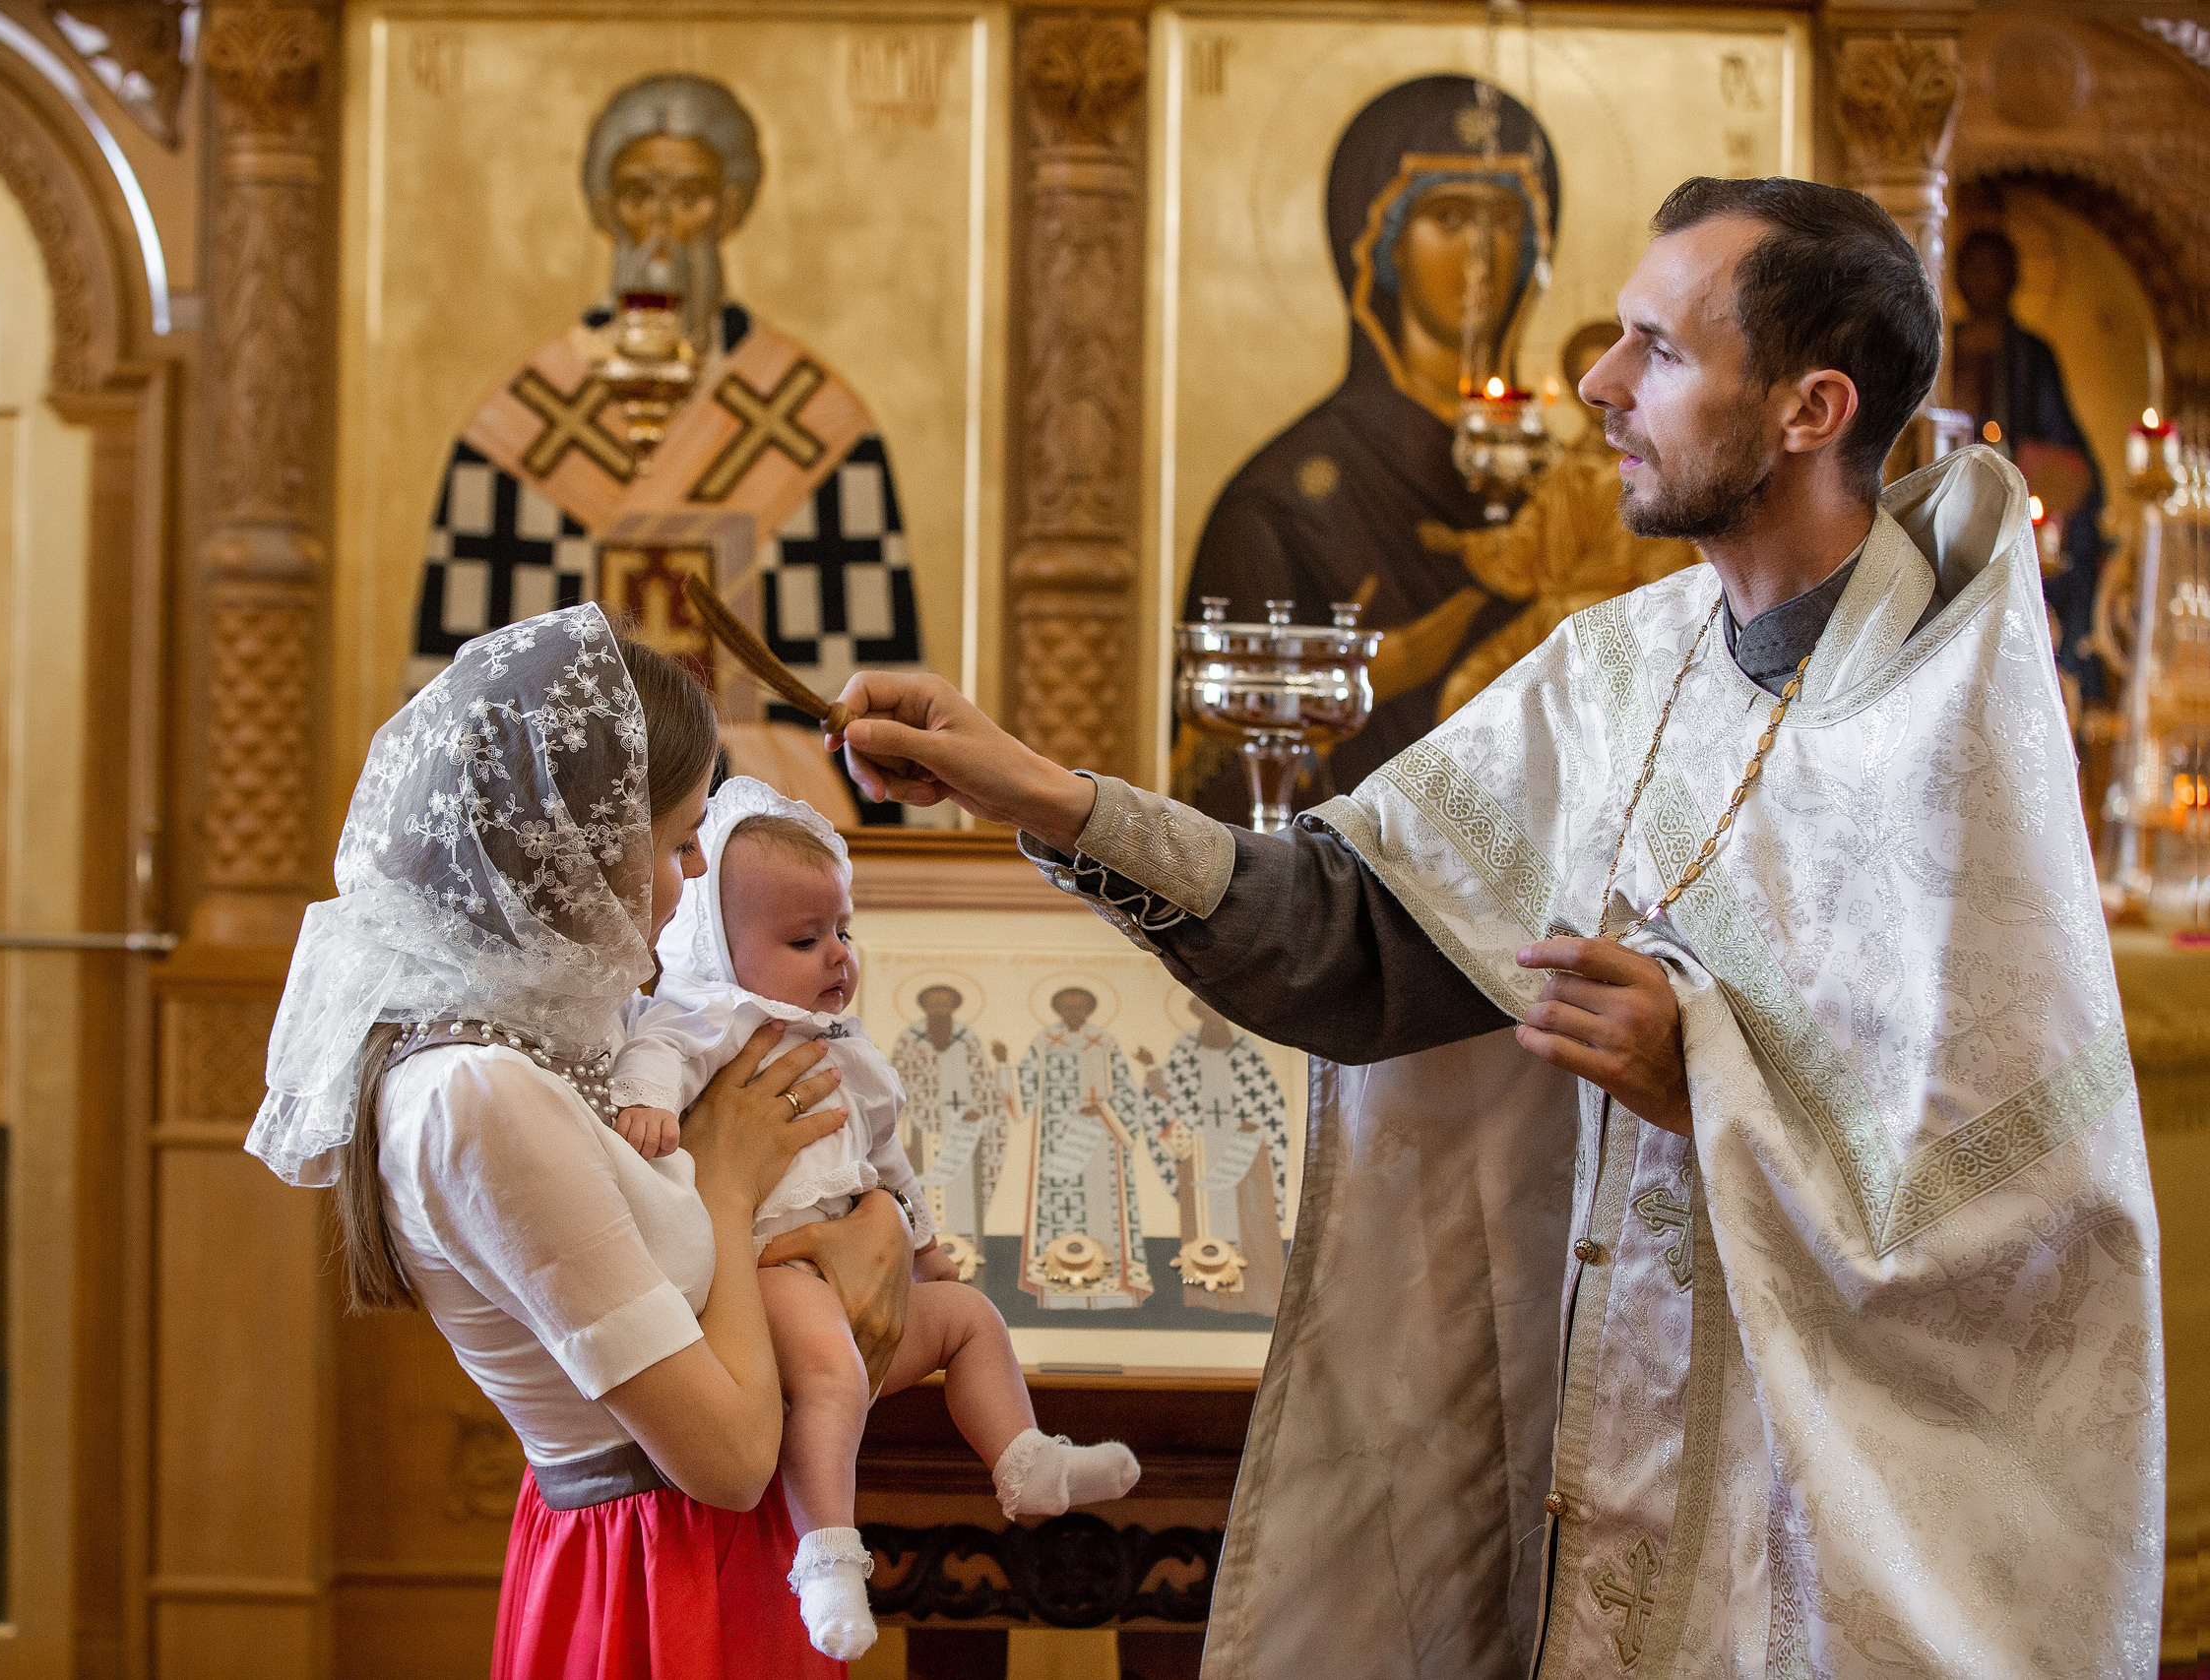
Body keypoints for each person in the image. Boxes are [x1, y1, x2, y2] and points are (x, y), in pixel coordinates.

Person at [827, 177, 2162, 1677]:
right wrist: (1046, 791)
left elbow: (2027, 1219)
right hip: (1605, 1470)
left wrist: (1701, 1075)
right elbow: (1354, 938)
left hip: (1814, 1549)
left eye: (1655, 348)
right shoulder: (1616, 669)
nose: (1595, 381)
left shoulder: (1945, 729)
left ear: (1809, 407)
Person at [247, 605, 916, 1680]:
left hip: (714, 1556)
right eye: (676, 842)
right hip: (657, 1572)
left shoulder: (568, 1029)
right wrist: (735, 1185)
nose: (691, 878)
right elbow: (733, 1458)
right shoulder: (474, 1094)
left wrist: (873, 1221)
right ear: (579, 846)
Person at [608, 777, 1139, 1659]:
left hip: (848, 1270)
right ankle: (826, 1555)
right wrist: (647, 1101)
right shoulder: (710, 1014)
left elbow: (892, 1163)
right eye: (804, 939)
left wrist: (925, 1248)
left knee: (972, 1319)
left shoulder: (852, 1050)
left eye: (843, 931)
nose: (837, 957)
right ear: (717, 944)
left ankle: (1024, 1460)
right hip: (764, 1273)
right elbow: (655, 1048)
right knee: (831, 1367)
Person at [408, 74, 922, 820]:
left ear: (733, 206)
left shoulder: (817, 420)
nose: (661, 225)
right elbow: (459, 710)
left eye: (690, 195)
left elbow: (868, 710)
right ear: (603, 207)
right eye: (637, 194)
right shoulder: (518, 422)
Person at [1179, 77, 1559, 814]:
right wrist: (1367, 678)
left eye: (1505, 221)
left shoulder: (1579, 484)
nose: (1483, 254)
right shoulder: (1280, 500)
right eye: (1449, 218)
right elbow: (1217, 783)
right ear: (1382, 245)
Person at [1415, 321, 1702, 720]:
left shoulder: (1658, 469)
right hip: (1550, 619)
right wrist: (1461, 543)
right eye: (1585, 378)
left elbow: (1669, 576)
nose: (1599, 392)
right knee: (1468, 687)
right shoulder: (1564, 470)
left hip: (1619, 622)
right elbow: (1525, 546)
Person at [1948, 226, 2108, 697]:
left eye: (1992, 269)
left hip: (2019, 501)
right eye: (1972, 269)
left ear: (2013, 277)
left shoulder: (2031, 355)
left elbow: (2064, 444)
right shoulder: (1945, 346)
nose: (1982, 281)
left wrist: (2015, 461)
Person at [1136, 993, 1290, 1317]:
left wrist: (1254, 1122)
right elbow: (1172, 1094)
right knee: (1202, 1218)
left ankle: (1260, 1295)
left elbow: (1267, 1097)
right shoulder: (1185, 1047)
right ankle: (1209, 1299)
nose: (1211, 1020)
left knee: (1254, 1216)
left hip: (1246, 1149)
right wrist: (1152, 1073)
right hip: (1200, 1146)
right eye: (1204, 1013)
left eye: (1216, 1013)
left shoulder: (1245, 1048)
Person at [1011, 983, 1161, 1308]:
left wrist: (1105, 1109)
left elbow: (1125, 1091)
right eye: (1067, 1006)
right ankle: (1059, 1292)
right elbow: (1022, 1088)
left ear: (1090, 1010)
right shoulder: (1044, 1041)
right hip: (1055, 1140)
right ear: (1058, 1009)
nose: (1073, 1011)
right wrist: (1002, 1069)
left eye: (1080, 1006)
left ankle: (1111, 1294)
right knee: (1057, 1207)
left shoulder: (1104, 1043)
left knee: (1105, 1206)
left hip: (1102, 1142)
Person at [888, 982, 1005, 1277]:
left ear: (954, 1007)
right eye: (934, 1004)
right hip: (921, 1132)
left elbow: (984, 1084)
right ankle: (925, 1264)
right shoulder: (909, 1040)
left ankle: (968, 1259)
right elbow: (894, 1091)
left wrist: (979, 1107)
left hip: (964, 1133)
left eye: (945, 1004)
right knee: (923, 1193)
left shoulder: (968, 1040)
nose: (940, 1010)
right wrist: (902, 1137)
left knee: (963, 1196)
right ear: (925, 1007)